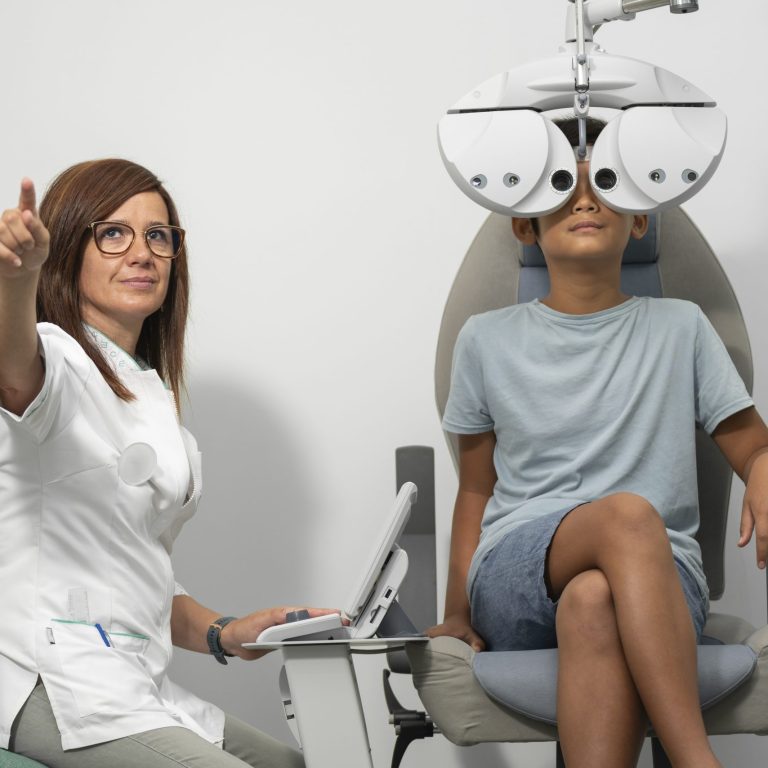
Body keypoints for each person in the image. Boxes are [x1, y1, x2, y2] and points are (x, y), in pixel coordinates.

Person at [428, 118, 768, 768]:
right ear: (524, 225)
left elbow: (752, 445)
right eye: (562, 187)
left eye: (604, 184)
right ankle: (697, 759)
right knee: (628, 514)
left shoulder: (682, 328)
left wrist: (764, 469)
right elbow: (477, 488)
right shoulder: (485, 338)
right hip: (516, 570)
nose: (585, 199)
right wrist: (455, 611)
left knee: (593, 597)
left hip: (662, 579)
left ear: (639, 220)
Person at [0, 159, 337, 768]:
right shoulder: (55, 359)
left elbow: (134, 571)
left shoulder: (147, 394)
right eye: (113, 233)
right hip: (47, 677)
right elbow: (14, 369)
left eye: (159, 236)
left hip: (127, 678)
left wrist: (225, 632)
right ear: (67, 250)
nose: (142, 252)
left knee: (290, 764)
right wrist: (16, 282)